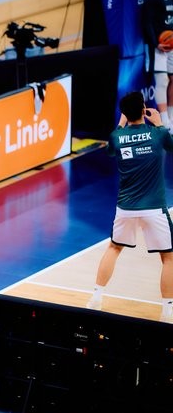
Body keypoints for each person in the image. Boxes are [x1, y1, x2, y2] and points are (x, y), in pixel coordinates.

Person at [86, 91, 173, 323]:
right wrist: (160, 123)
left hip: (126, 208)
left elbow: (111, 149)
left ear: (124, 113)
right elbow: (171, 145)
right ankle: (167, 311)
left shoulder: (117, 136)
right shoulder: (158, 134)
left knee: (114, 248)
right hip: (154, 207)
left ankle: (96, 296)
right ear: (144, 109)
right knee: (169, 258)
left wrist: (121, 123)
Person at [142, 0, 173, 131]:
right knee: (162, 81)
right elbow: (147, 23)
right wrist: (156, 43)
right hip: (159, 47)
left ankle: (171, 119)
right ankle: (164, 122)